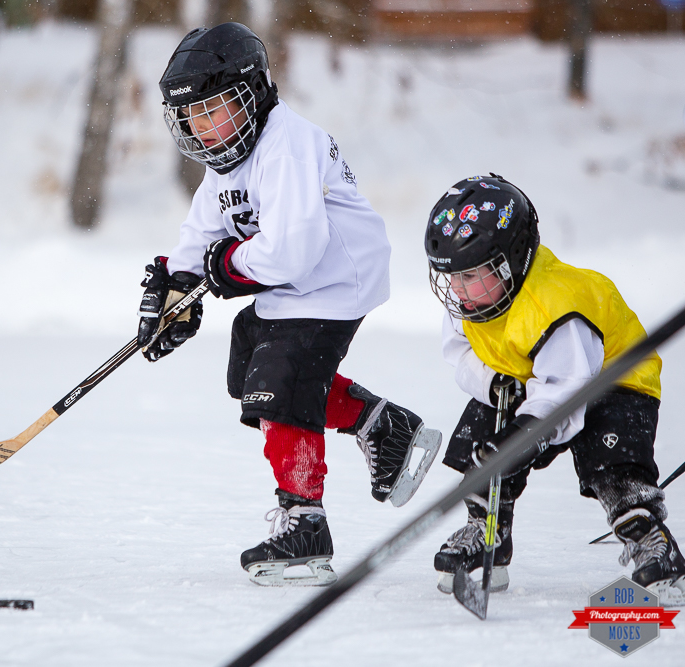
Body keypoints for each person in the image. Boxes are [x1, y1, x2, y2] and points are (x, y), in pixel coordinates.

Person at [136, 22, 442, 586]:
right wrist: (174, 287)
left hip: (333, 281)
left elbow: (295, 250)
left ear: (252, 93)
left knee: (277, 382)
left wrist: (225, 267)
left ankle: (305, 524)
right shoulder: (228, 159)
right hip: (292, 287)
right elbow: (201, 232)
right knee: (248, 371)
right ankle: (384, 425)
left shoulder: (288, 143)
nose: (203, 129)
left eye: (214, 110)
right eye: (191, 118)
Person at [424, 173, 685, 603]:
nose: (457, 290)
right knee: (480, 440)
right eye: (451, 276)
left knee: (612, 465)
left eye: (470, 276)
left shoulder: (558, 307)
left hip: (612, 382)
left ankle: (653, 543)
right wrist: (494, 386)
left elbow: (566, 391)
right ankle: (488, 532)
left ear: (511, 261)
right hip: (531, 380)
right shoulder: (474, 299)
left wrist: (525, 435)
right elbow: (459, 352)